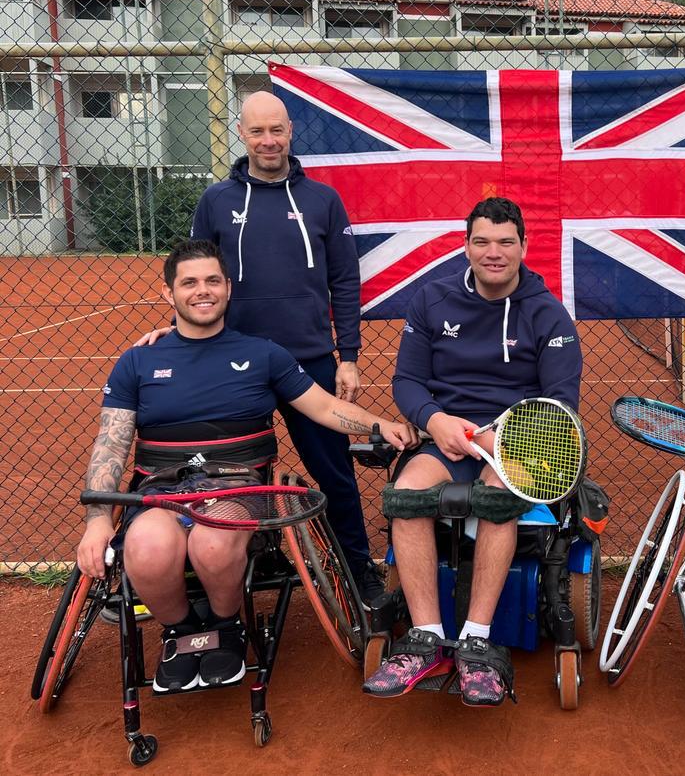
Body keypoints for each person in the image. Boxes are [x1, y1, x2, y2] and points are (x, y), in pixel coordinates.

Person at [79, 240, 416, 694]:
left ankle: (224, 625)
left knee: (215, 544)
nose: (203, 291)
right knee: (145, 549)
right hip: (161, 488)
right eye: (190, 283)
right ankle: (181, 631)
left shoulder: (263, 354)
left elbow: (323, 407)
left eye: (212, 281)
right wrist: (98, 520)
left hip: (235, 486)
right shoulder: (138, 361)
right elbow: (111, 444)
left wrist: (383, 424)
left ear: (228, 288)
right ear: (169, 294)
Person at [136, 91, 383, 601]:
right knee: (215, 469)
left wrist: (350, 357)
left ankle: (358, 569)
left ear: (291, 132)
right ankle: (205, 570)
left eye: (277, 131)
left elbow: (345, 280)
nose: (268, 141)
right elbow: (194, 274)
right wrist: (175, 331)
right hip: (230, 362)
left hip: (308, 359)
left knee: (334, 473)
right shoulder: (216, 200)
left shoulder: (323, 201)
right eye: (257, 131)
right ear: (241, 134)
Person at [361, 197, 583, 707]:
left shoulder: (549, 314)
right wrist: (435, 421)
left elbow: (559, 406)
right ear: (466, 246)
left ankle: (478, 639)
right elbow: (408, 381)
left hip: (517, 442)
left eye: (506, 242)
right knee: (407, 495)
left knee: (497, 499)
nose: (494, 253)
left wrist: (494, 439)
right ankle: (426, 638)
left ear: (524, 247)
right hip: (445, 438)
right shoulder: (431, 301)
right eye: (482, 242)